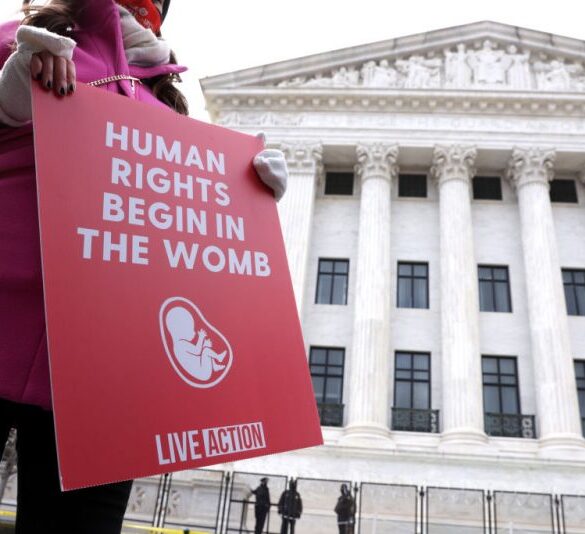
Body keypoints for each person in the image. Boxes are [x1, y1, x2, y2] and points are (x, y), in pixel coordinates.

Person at [0, 1, 288, 532]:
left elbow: (176, 242)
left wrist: (243, 198)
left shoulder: (167, 102)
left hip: (106, 372)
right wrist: (8, 93)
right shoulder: (25, 40)